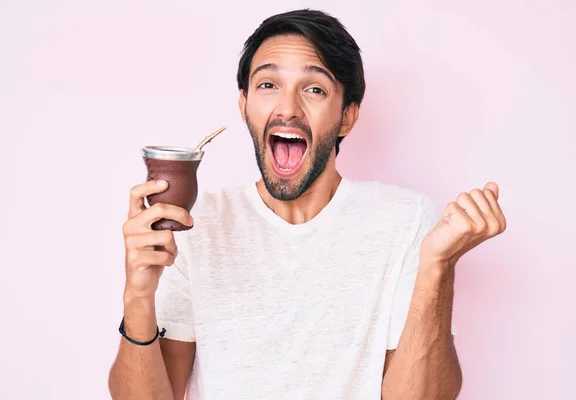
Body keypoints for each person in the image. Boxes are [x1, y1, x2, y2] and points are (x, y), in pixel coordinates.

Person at [108, 8, 506, 400]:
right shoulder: (196, 224)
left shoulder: (404, 220)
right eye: (268, 85)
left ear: (347, 117)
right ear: (244, 105)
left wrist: (438, 267)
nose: (287, 108)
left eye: (314, 89)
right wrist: (138, 296)